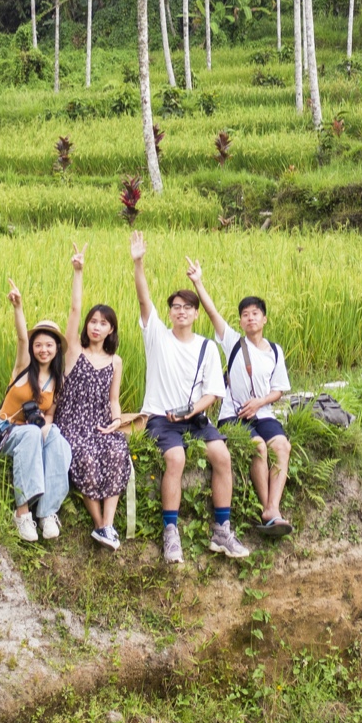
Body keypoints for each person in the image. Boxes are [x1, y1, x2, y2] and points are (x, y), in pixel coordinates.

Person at [132, 230, 248, 563]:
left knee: (222, 456)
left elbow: (213, 392)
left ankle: (222, 530)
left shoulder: (207, 347)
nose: (181, 311)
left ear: (196, 313)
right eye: (175, 307)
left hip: (193, 416)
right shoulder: (156, 337)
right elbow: (143, 301)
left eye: (187, 307)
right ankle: (171, 533)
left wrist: (191, 412)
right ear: (169, 313)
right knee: (176, 459)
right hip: (160, 416)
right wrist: (139, 264)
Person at [192, 262, 293, 538]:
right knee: (258, 446)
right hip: (232, 415)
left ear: (264, 319)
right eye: (245, 315)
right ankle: (266, 507)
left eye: (255, 314)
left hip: (264, 413)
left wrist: (259, 402)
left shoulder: (274, 350)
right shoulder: (233, 342)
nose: (250, 318)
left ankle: (273, 508)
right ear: (240, 322)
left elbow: (279, 389)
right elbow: (212, 312)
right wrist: (198, 282)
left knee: (282, 446)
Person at [52, 245, 132, 550]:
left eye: (103, 323)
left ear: (111, 329)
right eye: (93, 321)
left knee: (116, 450)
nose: (96, 327)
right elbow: (73, 310)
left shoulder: (116, 361)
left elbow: (114, 399)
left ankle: (108, 525)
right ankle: (101, 526)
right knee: (84, 456)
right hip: (72, 421)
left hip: (100, 420)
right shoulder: (74, 351)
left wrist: (115, 422)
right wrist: (78, 272)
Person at [0, 282, 73, 542]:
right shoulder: (23, 367)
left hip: (31, 436)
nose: (43, 349)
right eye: (39, 345)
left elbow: (48, 416)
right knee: (31, 435)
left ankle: (47, 513)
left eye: (49, 345)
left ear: (57, 348)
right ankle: (23, 513)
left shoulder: (58, 382)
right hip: (2, 434)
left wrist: (47, 425)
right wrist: (18, 307)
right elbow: (22, 336)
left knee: (56, 437)